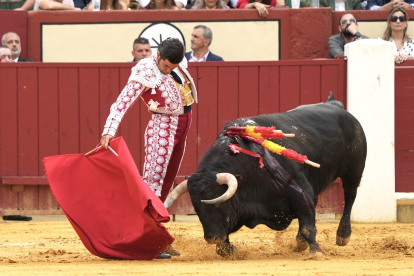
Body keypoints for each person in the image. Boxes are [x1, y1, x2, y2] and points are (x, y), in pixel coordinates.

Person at [100, 38, 197, 258]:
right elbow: (123, 102)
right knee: (152, 185)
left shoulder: (176, 61)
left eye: (172, 68)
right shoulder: (145, 69)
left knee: (165, 185)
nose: (168, 70)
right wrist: (109, 130)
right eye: (165, 66)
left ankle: (157, 236)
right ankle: (144, 240)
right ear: (158, 55)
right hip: (162, 127)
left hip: (183, 124)